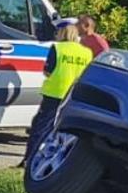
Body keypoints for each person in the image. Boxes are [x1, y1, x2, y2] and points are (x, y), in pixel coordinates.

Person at [23, 22, 94, 167]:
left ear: (63, 33)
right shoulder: (87, 52)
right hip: (74, 95)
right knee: (66, 131)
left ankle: (30, 160)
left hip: (55, 93)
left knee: (41, 127)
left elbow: (48, 71)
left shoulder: (58, 48)